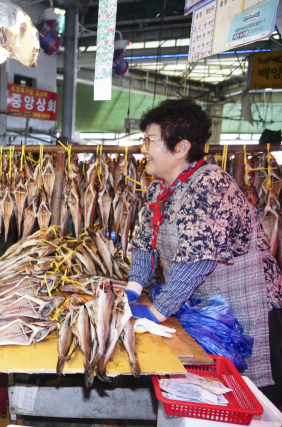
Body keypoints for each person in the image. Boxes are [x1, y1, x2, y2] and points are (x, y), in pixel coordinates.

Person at [125, 98, 282, 403]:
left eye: (149, 140)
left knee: (255, 397)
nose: (143, 148)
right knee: (214, 393)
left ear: (181, 147)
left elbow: (196, 261)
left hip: (246, 306)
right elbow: (145, 242)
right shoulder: (160, 187)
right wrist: (133, 288)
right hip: (207, 307)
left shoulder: (211, 185)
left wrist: (158, 310)